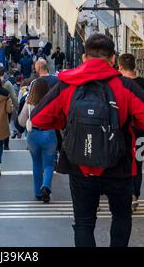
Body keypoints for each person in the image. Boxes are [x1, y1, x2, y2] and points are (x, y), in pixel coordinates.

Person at [30, 34, 144, 247]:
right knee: (121, 217)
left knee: (83, 223)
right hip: (119, 164)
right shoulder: (126, 86)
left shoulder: (67, 85)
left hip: (79, 163)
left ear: (84, 57)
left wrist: (67, 123)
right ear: (112, 59)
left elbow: (38, 117)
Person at [16, 78, 57, 202]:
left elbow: (21, 121)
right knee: (49, 165)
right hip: (49, 133)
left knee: (36, 163)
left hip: (33, 134)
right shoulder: (52, 102)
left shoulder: (29, 103)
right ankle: (46, 186)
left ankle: (38, 192)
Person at [118, 53, 144, 211]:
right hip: (141, 130)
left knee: (124, 163)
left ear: (120, 67)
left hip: (124, 130)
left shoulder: (120, 84)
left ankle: (127, 194)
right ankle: (135, 195)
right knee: (138, 163)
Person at [0, 64, 18, 147]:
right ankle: (6, 145)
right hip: (6, 108)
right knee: (6, 126)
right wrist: (17, 107)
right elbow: (13, 96)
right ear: (4, 73)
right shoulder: (8, 83)